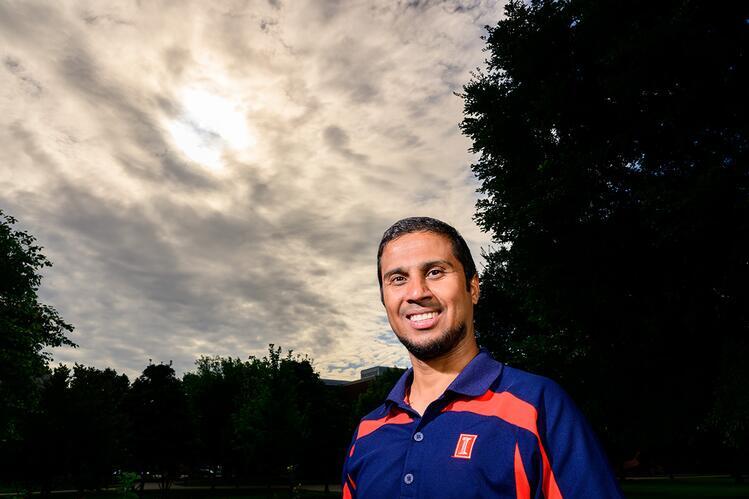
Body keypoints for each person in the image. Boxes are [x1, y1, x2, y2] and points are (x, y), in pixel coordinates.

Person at [341, 217, 623, 498]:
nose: (417, 292)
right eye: (398, 279)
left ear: (473, 287)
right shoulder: (368, 431)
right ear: (384, 299)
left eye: (436, 272)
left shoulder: (539, 406)